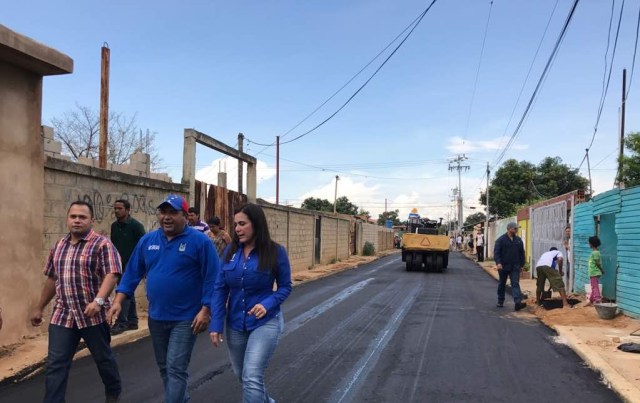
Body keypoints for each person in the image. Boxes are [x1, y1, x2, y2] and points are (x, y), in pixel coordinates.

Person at [107, 194, 219, 403]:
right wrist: (118, 301)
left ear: (185, 216)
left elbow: (213, 278)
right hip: (157, 316)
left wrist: (206, 310)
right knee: (165, 368)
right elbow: (132, 273)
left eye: (173, 213)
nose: (167, 217)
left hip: (187, 318)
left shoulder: (200, 242)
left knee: (176, 368)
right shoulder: (148, 241)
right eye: (163, 212)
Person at [30, 201, 122, 403]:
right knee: (56, 364)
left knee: (103, 359)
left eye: (82, 217)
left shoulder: (102, 244)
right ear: (67, 219)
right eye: (73, 217)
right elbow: (53, 279)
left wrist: (98, 300)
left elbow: (112, 274)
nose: (77, 221)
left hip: (93, 316)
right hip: (63, 315)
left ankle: (113, 391)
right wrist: (39, 307)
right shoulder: (59, 246)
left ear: (92, 221)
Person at [209, 203, 292, 403]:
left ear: (256, 224)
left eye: (242, 224)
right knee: (242, 375)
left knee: (252, 376)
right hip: (236, 323)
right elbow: (220, 288)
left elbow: (285, 286)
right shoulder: (230, 251)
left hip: (265, 321)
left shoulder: (275, 251)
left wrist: (268, 303)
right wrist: (216, 324)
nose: (237, 229)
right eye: (236, 224)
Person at [110, 199, 146, 335]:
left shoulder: (136, 226)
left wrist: (142, 266)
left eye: (120, 208)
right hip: (118, 264)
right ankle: (132, 321)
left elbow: (144, 246)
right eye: (115, 208)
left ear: (127, 210)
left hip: (133, 266)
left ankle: (121, 322)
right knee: (127, 293)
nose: (117, 211)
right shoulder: (114, 226)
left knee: (123, 292)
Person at [494, 222, 526, 311]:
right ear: (509, 229)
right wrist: (498, 263)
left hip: (515, 266)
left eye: (517, 229)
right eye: (515, 229)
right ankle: (500, 300)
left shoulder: (518, 240)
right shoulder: (500, 240)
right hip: (503, 266)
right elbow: (496, 253)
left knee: (515, 283)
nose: (516, 230)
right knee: (502, 283)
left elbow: (522, 253)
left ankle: (517, 302)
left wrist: (522, 265)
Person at [587, 236, 604, 305]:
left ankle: (597, 300)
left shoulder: (595, 253)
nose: (589, 244)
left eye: (589, 243)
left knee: (595, 286)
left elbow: (597, 263)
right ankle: (591, 300)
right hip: (593, 272)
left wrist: (602, 270)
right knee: (593, 286)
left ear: (591, 244)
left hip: (594, 272)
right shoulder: (595, 252)